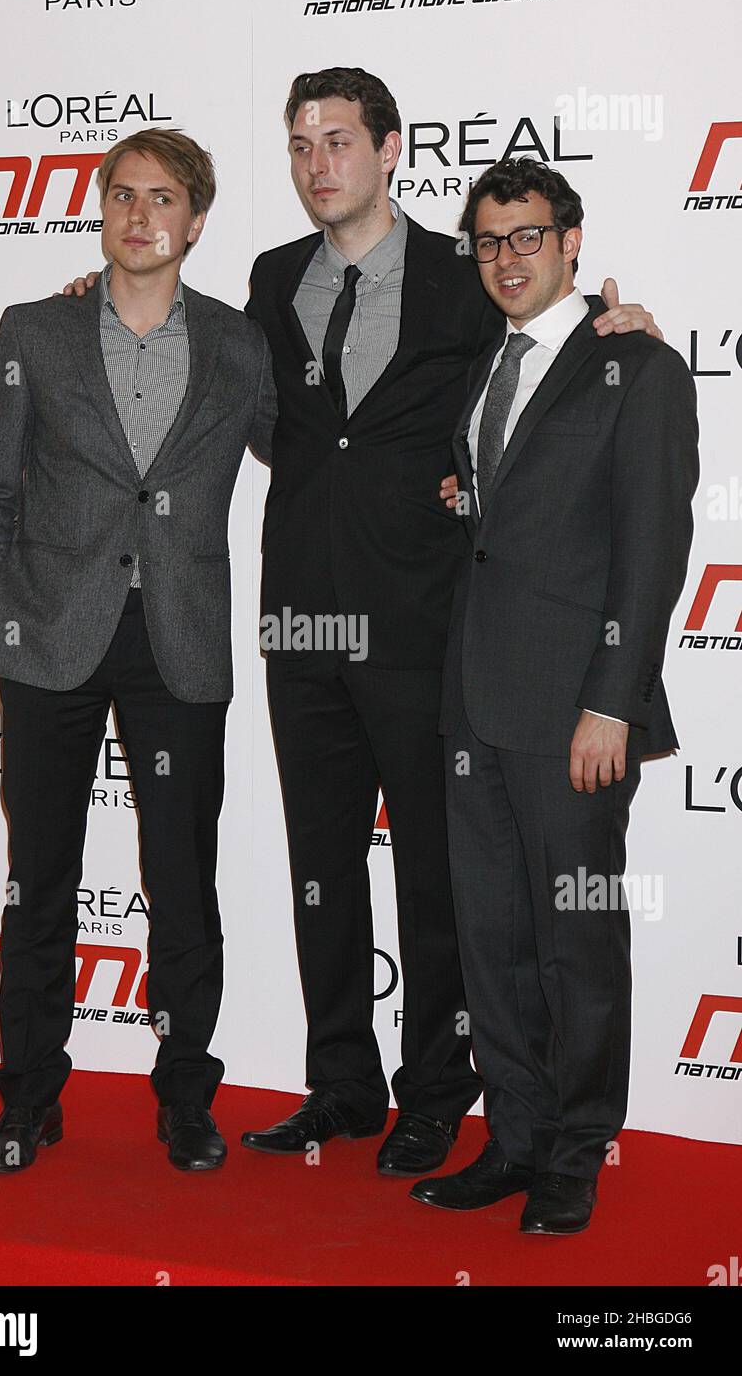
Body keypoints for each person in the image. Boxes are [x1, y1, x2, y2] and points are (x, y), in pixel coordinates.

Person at [63, 68, 662, 1180]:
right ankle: (341, 1082)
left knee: (437, 878)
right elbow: (225, 395)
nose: (316, 162)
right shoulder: (267, 275)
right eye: (299, 144)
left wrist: (621, 324)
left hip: (430, 627)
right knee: (321, 864)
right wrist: (100, 316)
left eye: (338, 139)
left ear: (390, 151)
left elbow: (546, 359)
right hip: (298, 621)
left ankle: (437, 1092)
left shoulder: (464, 270)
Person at [0, 127, 276, 1175]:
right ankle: (27, 1104)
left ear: (195, 220)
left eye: (166, 199)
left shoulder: (240, 345)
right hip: (50, 637)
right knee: (39, 878)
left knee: (182, 881)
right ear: (101, 207)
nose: (142, 217)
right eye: (124, 196)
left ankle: (187, 1102)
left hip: (178, 644)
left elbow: (339, 446)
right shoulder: (34, 330)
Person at [410, 157, 698, 1233]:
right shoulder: (493, 366)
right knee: (492, 940)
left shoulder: (638, 365)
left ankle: (577, 1151)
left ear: (571, 241)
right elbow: (510, 517)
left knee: (575, 941)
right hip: (473, 701)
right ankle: (516, 1136)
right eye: (488, 241)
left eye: (526, 236)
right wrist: (463, 493)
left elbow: (650, 548)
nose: (506, 258)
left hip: (574, 710)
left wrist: (612, 704)